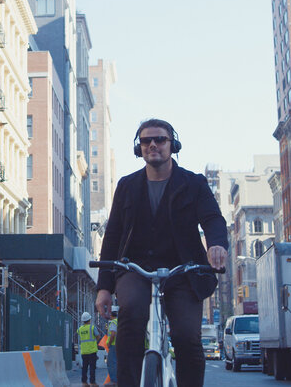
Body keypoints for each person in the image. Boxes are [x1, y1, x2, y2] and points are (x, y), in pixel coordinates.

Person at [94, 119, 228, 387]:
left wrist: (216, 244)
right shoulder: (127, 185)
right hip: (136, 269)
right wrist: (104, 287)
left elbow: (213, 219)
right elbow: (113, 236)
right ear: (139, 148)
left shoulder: (193, 183)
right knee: (130, 318)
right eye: (146, 141)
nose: (152, 145)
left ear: (172, 145)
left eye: (160, 140)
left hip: (184, 270)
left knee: (187, 337)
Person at [77, 312, 100, 386]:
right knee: (92, 368)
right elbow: (98, 336)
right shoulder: (92, 327)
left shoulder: (80, 329)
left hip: (84, 351)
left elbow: (80, 335)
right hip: (92, 351)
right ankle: (92, 382)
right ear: (89, 319)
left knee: (84, 367)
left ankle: (84, 382)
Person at [106, 306, 119, 385]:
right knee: (117, 362)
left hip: (113, 345)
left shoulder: (113, 322)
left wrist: (109, 343)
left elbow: (113, 334)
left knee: (111, 363)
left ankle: (114, 380)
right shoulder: (119, 321)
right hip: (119, 344)